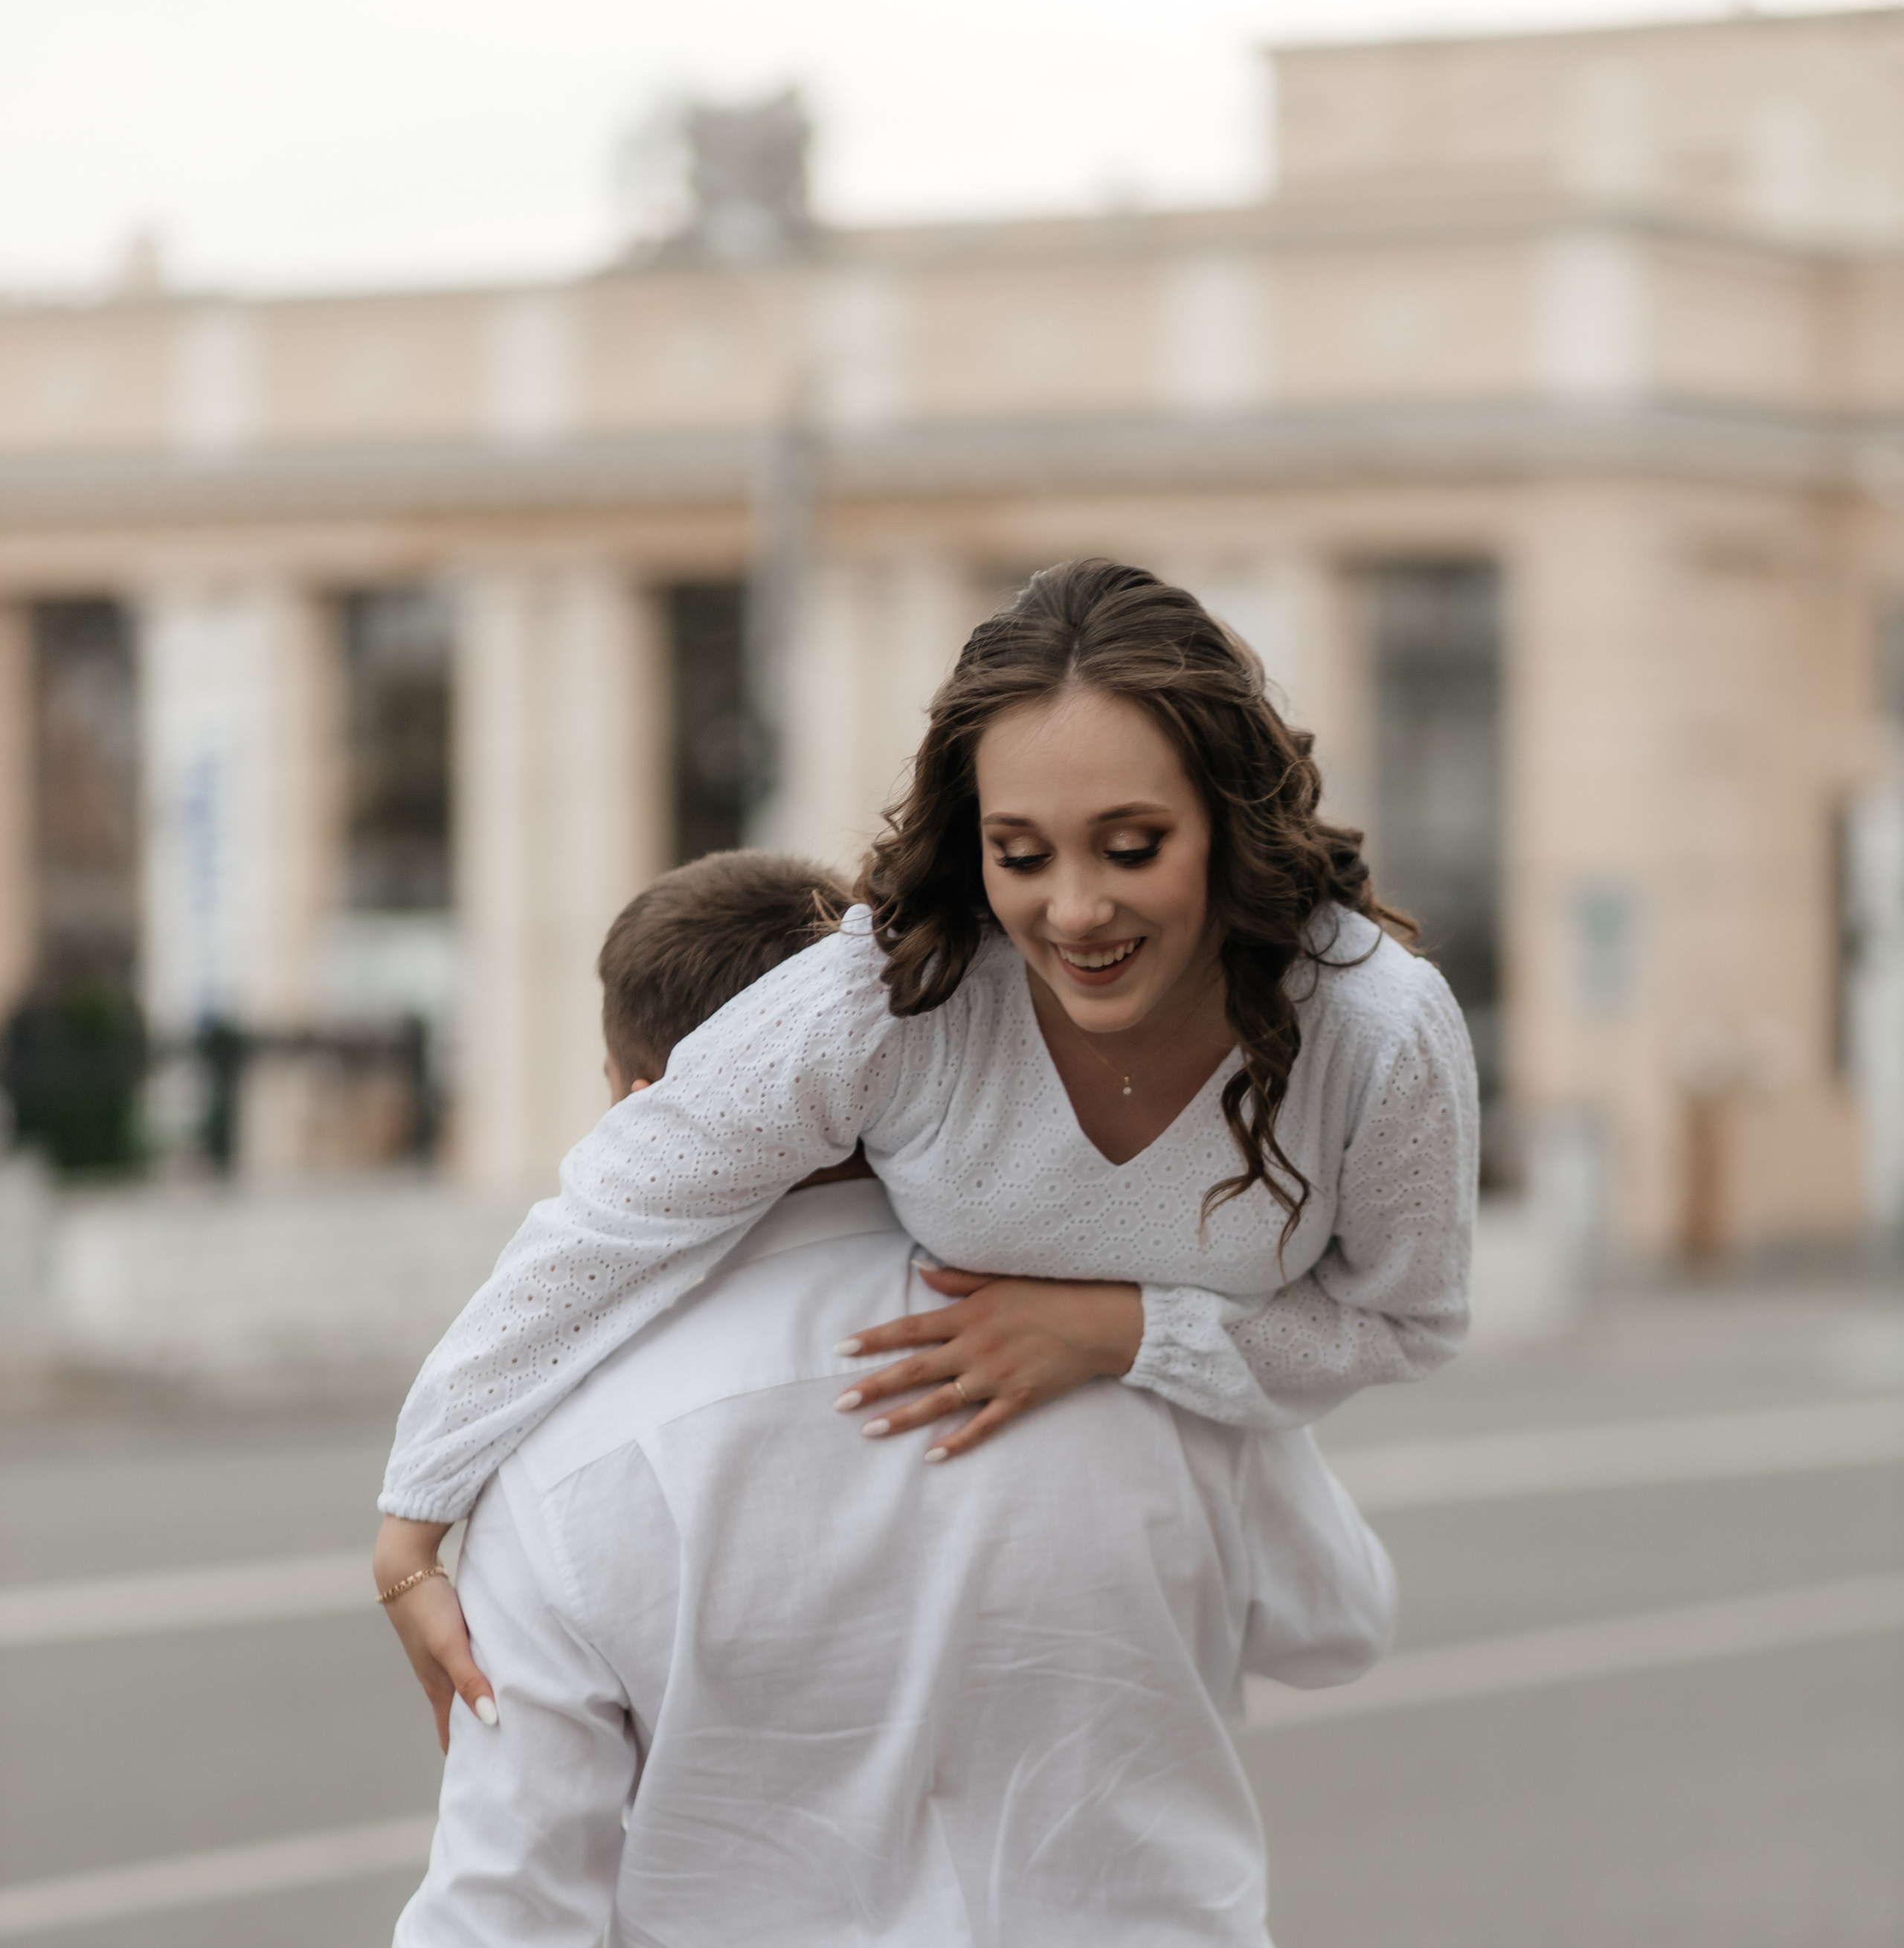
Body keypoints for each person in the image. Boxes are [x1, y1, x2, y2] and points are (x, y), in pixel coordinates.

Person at [363, 846, 1401, 1948]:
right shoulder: (1119, 1335)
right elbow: (1336, 1623)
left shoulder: (562, 1461)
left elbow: (491, 1945)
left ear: (636, 1102)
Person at [371, 558, 1478, 1677]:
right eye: (1022, 854)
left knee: (1338, 1643)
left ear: (1228, 822)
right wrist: (416, 1511)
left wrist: (1120, 1330)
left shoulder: (1377, 1028)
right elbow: (618, 1206)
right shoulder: (898, 990)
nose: (1077, 910)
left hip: (1224, 1446)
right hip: (960, 1490)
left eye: (1133, 846)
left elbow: (1407, 1321)